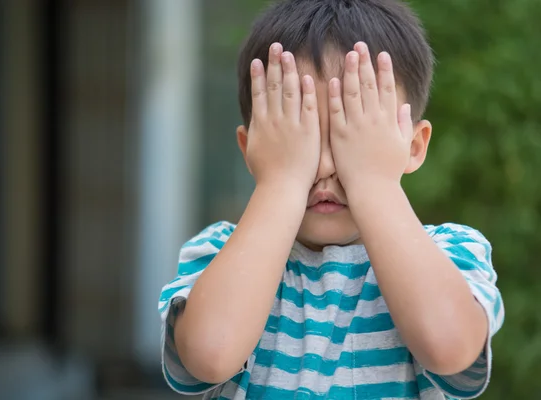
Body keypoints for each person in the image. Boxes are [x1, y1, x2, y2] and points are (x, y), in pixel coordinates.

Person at [158, 0, 504, 398]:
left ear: (413, 146)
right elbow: (210, 353)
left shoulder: (450, 252)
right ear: (252, 149)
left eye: (351, 136)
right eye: (300, 138)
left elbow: (450, 347)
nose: (323, 166)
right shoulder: (219, 255)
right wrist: (282, 181)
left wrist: (373, 182)